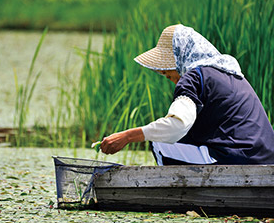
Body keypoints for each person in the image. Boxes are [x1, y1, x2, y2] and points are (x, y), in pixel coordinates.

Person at [100, 24, 274, 165]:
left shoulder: (192, 77)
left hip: (235, 159)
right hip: (266, 160)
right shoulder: (232, 75)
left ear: (179, 57)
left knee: (159, 143)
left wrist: (127, 136)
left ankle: (168, 195)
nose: (171, 80)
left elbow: (177, 126)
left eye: (169, 74)